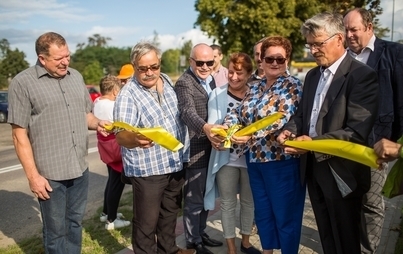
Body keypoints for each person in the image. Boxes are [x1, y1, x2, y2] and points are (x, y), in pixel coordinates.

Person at [277, 12, 379, 254]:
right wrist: (288, 131)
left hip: (342, 171)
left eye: (318, 43)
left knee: (346, 239)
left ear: (339, 39)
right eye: (310, 44)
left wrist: (311, 143)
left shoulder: (361, 76)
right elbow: (302, 116)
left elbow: (356, 131)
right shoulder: (313, 75)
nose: (313, 50)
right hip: (313, 169)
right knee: (326, 235)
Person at [7, 32, 110, 254]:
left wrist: (99, 123)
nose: (65, 62)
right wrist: (33, 176)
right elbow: (19, 135)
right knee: (56, 231)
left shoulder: (76, 77)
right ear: (42, 58)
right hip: (50, 175)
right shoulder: (22, 83)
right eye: (58, 58)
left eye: (68, 56)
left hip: (79, 169)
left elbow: (85, 116)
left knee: (74, 224)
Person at [224, 36, 304, 254]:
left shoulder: (292, 85)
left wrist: (247, 135)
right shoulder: (255, 86)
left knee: (286, 217)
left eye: (280, 59)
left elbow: (278, 118)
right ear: (262, 60)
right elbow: (238, 112)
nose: (275, 63)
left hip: (281, 162)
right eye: (270, 59)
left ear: (288, 60)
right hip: (255, 160)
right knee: (263, 215)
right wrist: (230, 129)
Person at [113, 41, 194, 254]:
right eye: (143, 68)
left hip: (174, 162)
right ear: (134, 66)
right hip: (148, 169)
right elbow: (120, 136)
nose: (150, 73)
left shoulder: (166, 80)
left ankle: (169, 250)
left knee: (169, 214)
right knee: (146, 222)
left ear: (160, 64)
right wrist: (135, 138)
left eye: (154, 67)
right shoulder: (128, 95)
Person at [343, 8, 403, 253]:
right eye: (345, 30)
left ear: (369, 27)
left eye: (354, 29)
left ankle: (368, 250)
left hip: (378, 141)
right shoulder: (342, 58)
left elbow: (400, 101)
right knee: (349, 197)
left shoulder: (394, 53)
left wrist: (393, 141)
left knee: (371, 201)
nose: (348, 35)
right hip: (345, 141)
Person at [204, 52, 260, 254]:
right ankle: (230, 248)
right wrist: (216, 137)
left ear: (249, 74)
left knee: (248, 202)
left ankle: (245, 242)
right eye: (231, 73)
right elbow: (212, 125)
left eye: (240, 73)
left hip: (250, 159)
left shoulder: (256, 94)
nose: (234, 77)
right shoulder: (217, 93)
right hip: (226, 158)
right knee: (227, 204)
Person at [174, 43, 224, 254]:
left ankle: (200, 233)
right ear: (191, 61)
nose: (205, 67)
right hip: (195, 151)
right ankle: (193, 242)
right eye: (200, 63)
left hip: (212, 148)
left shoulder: (210, 79)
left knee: (206, 196)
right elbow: (186, 111)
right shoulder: (185, 83)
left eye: (209, 62)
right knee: (194, 200)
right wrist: (205, 127)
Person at [93, 75, 131, 230]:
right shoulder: (112, 106)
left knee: (111, 182)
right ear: (115, 91)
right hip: (116, 148)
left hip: (106, 148)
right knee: (117, 184)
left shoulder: (97, 102)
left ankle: (106, 212)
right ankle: (112, 220)